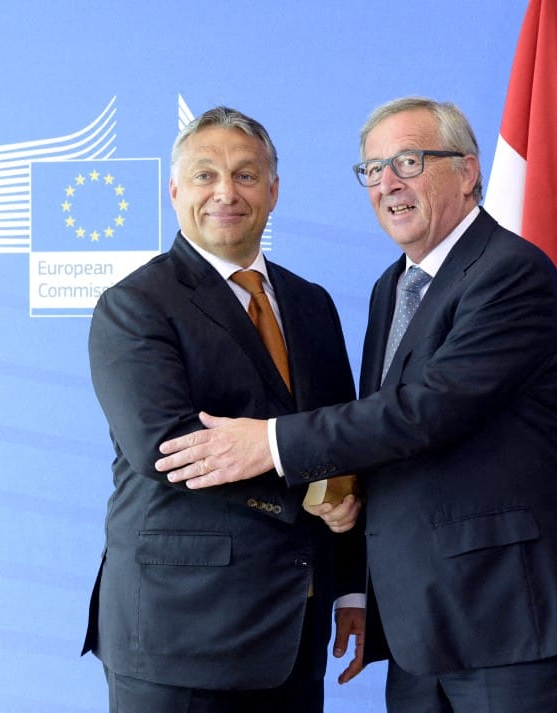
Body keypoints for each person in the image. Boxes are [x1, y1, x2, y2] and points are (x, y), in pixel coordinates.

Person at [155, 97, 557, 713]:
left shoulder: (510, 273)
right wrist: (350, 552)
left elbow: (425, 410)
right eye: (373, 169)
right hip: (422, 632)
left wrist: (267, 442)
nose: (388, 183)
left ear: (467, 171)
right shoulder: (393, 286)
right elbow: (385, 442)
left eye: (408, 160)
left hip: (519, 620)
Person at [81, 106, 366, 713]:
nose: (226, 193)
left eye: (245, 174)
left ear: (273, 190)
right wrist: (313, 493)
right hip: (179, 637)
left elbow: (341, 437)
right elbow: (169, 450)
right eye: (206, 176)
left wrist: (350, 588)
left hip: (296, 629)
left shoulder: (311, 304)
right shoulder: (134, 305)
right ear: (175, 189)